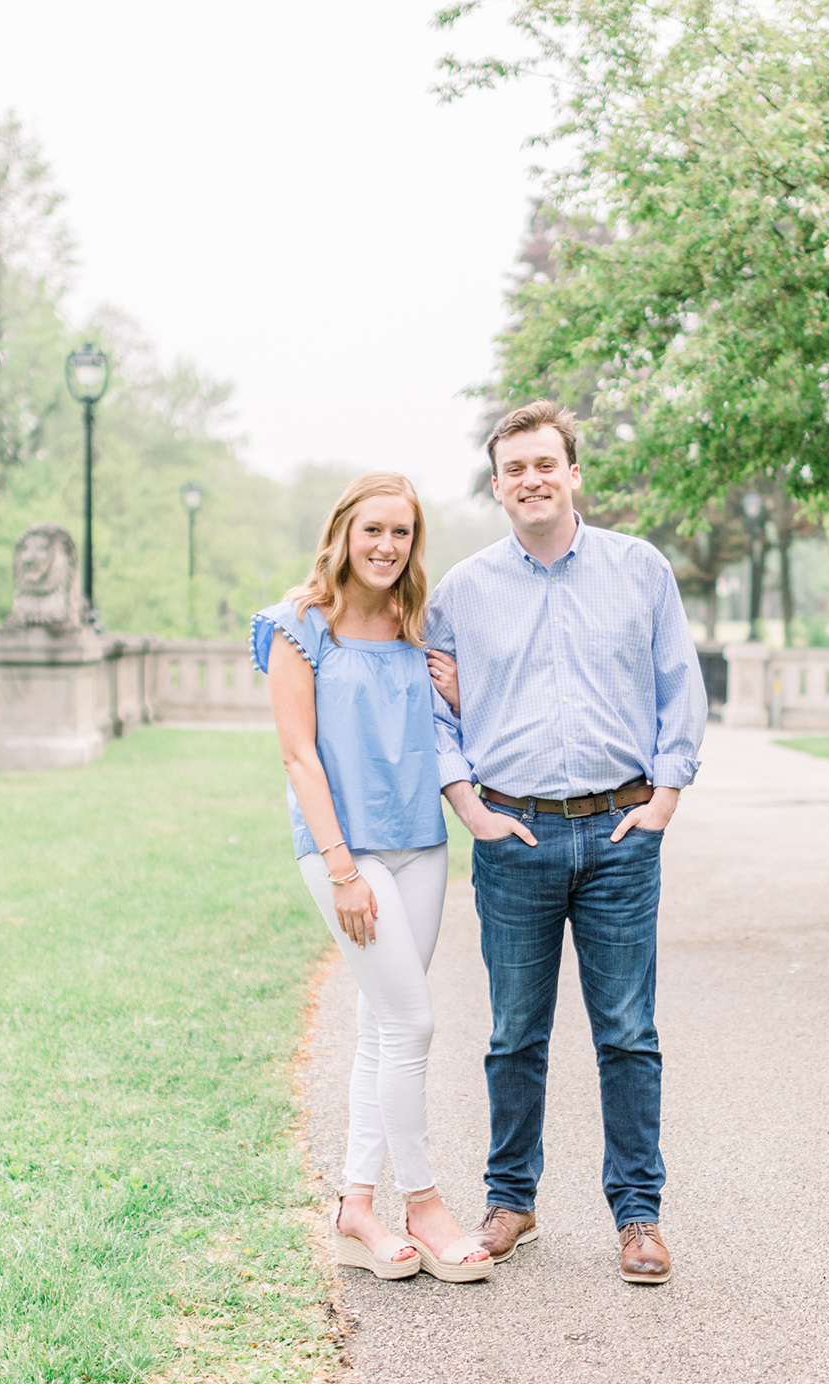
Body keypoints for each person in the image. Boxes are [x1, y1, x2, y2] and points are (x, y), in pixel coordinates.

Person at [425, 401, 706, 1285]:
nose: (532, 480)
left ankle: (639, 1217)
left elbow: (679, 687)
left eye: (546, 463)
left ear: (573, 472)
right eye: (515, 469)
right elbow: (430, 710)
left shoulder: (639, 570)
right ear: (498, 485)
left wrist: (663, 800)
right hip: (513, 835)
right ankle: (511, 1201)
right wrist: (468, 807)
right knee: (514, 1033)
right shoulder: (463, 592)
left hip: (622, 832)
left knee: (628, 1032)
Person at [251, 471, 493, 1284]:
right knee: (414, 1022)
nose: (387, 546)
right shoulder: (299, 626)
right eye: (373, 530)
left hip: (421, 845)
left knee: (386, 1024)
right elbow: (297, 754)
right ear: (343, 534)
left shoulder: (414, 622)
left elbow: (447, 727)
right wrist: (342, 866)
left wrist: (463, 691)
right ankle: (423, 1204)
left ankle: (356, 1208)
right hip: (344, 856)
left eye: (402, 533)